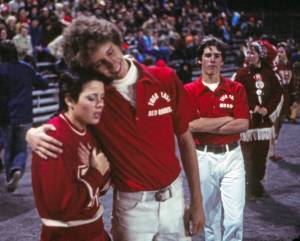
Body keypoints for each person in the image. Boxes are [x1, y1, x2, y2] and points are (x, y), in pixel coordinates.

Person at [26, 16, 205, 241]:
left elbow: (185, 138)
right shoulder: (94, 101)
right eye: (99, 62)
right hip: (132, 208)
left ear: (119, 43)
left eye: (110, 52)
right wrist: (32, 133)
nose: (110, 63)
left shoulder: (164, 78)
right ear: (88, 68)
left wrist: (197, 201)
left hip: (176, 198)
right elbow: (63, 124)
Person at [32, 71, 111, 241]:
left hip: (95, 230)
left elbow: (100, 190)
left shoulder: (89, 130)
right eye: (91, 98)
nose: (100, 104)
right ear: (69, 100)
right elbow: (60, 206)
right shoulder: (52, 138)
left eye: (102, 98)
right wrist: (96, 174)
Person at [184, 36, 249, 241]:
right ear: (199, 60)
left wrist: (206, 124)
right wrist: (226, 119)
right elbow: (189, 126)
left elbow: (243, 124)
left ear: (222, 61)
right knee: (210, 221)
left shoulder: (236, 88)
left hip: (233, 157)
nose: (212, 59)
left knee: (234, 221)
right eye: (208, 55)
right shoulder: (189, 91)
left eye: (217, 56)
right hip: (202, 158)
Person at [232, 40, 283, 199]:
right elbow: (238, 95)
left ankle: (257, 183)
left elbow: (277, 93)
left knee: (261, 156)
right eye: (248, 52)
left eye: (252, 53)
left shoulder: (270, 74)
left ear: (260, 55)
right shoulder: (241, 74)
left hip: (264, 123)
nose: (249, 55)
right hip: (248, 122)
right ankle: (248, 187)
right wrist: (254, 107)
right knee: (247, 156)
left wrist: (267, 109)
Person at [0, 40, 48, 192]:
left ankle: (10, 176)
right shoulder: (26, 68)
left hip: (6, 115)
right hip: (25, 115)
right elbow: (43, 83)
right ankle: (18, 169)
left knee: (8, 148)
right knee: (21, 148)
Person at [270, 42, 293, 161]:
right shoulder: (274, 66)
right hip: (276, 98)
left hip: (286, 98)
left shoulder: (290, 65)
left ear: (286, 53)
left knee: (279, 125)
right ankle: (271, 152)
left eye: (282, 52)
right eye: (278, 52)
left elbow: (291, 84)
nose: (279, 54)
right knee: (273, 124)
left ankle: (272, 150)